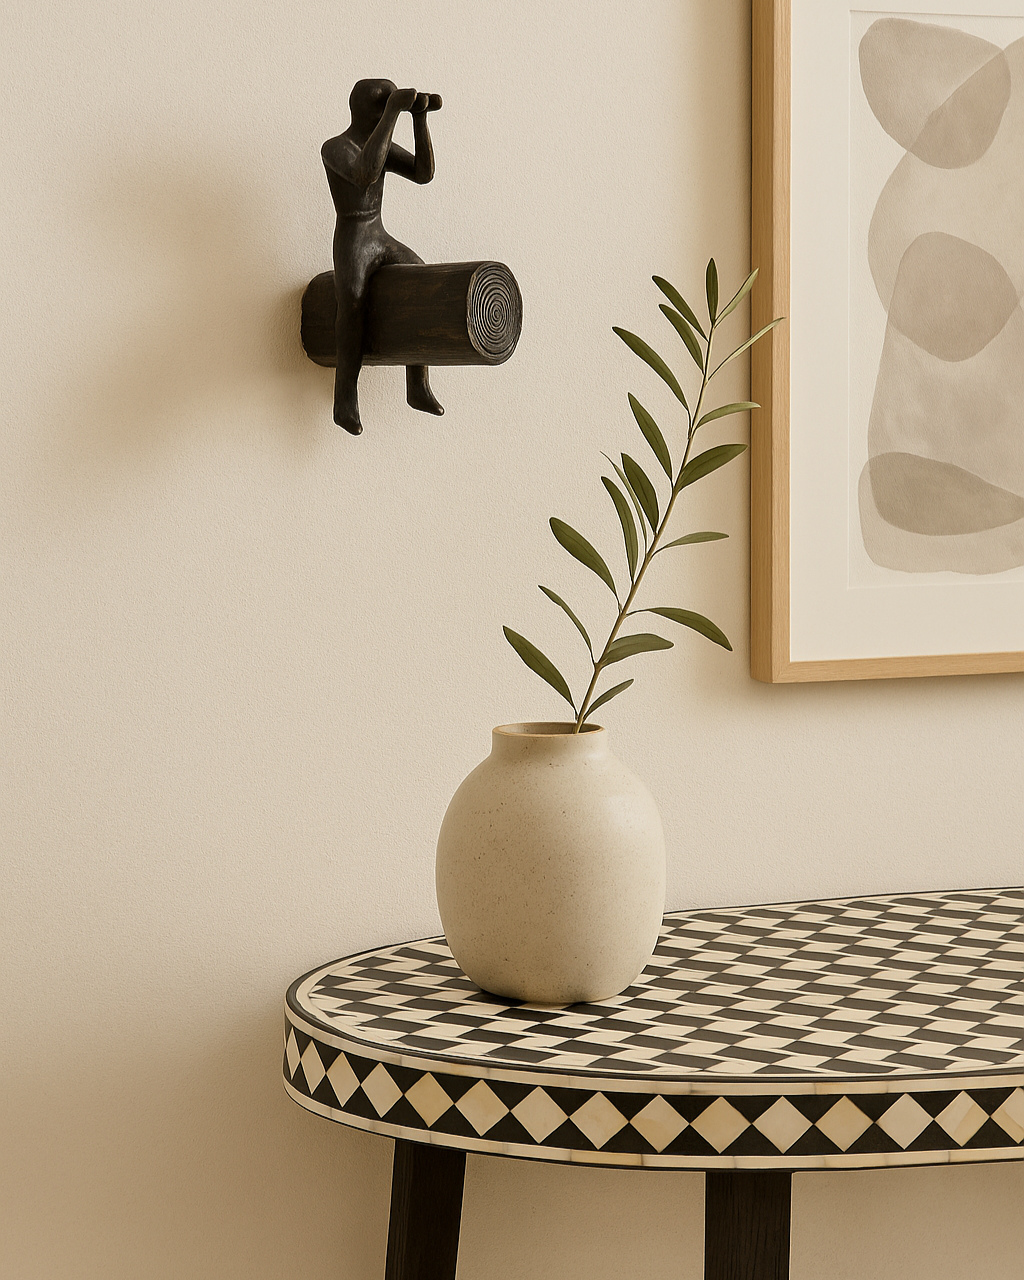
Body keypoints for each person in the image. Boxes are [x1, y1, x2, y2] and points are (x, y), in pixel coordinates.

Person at [322, 79, 443, 434]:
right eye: (383, 110)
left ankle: (417, 384)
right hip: (353, 238)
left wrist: (420, 120)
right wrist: (393, 113)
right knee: (352, 306)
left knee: (420, 276)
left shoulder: (381, 145)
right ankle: (345, 399)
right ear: (367, 113)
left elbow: (424, 173)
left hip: (377, 234)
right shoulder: (336, 147)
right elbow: (365, 173)